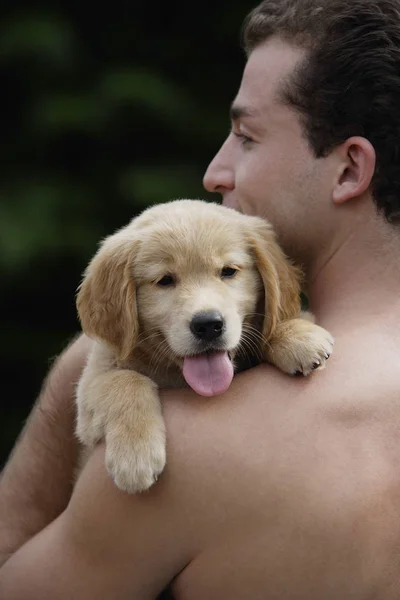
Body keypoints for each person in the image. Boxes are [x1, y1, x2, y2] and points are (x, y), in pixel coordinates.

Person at [2, 0, 400, 597]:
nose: (215, 171)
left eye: (245, 135)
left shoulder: (195, 447)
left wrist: (78, 372)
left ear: (348, 169)